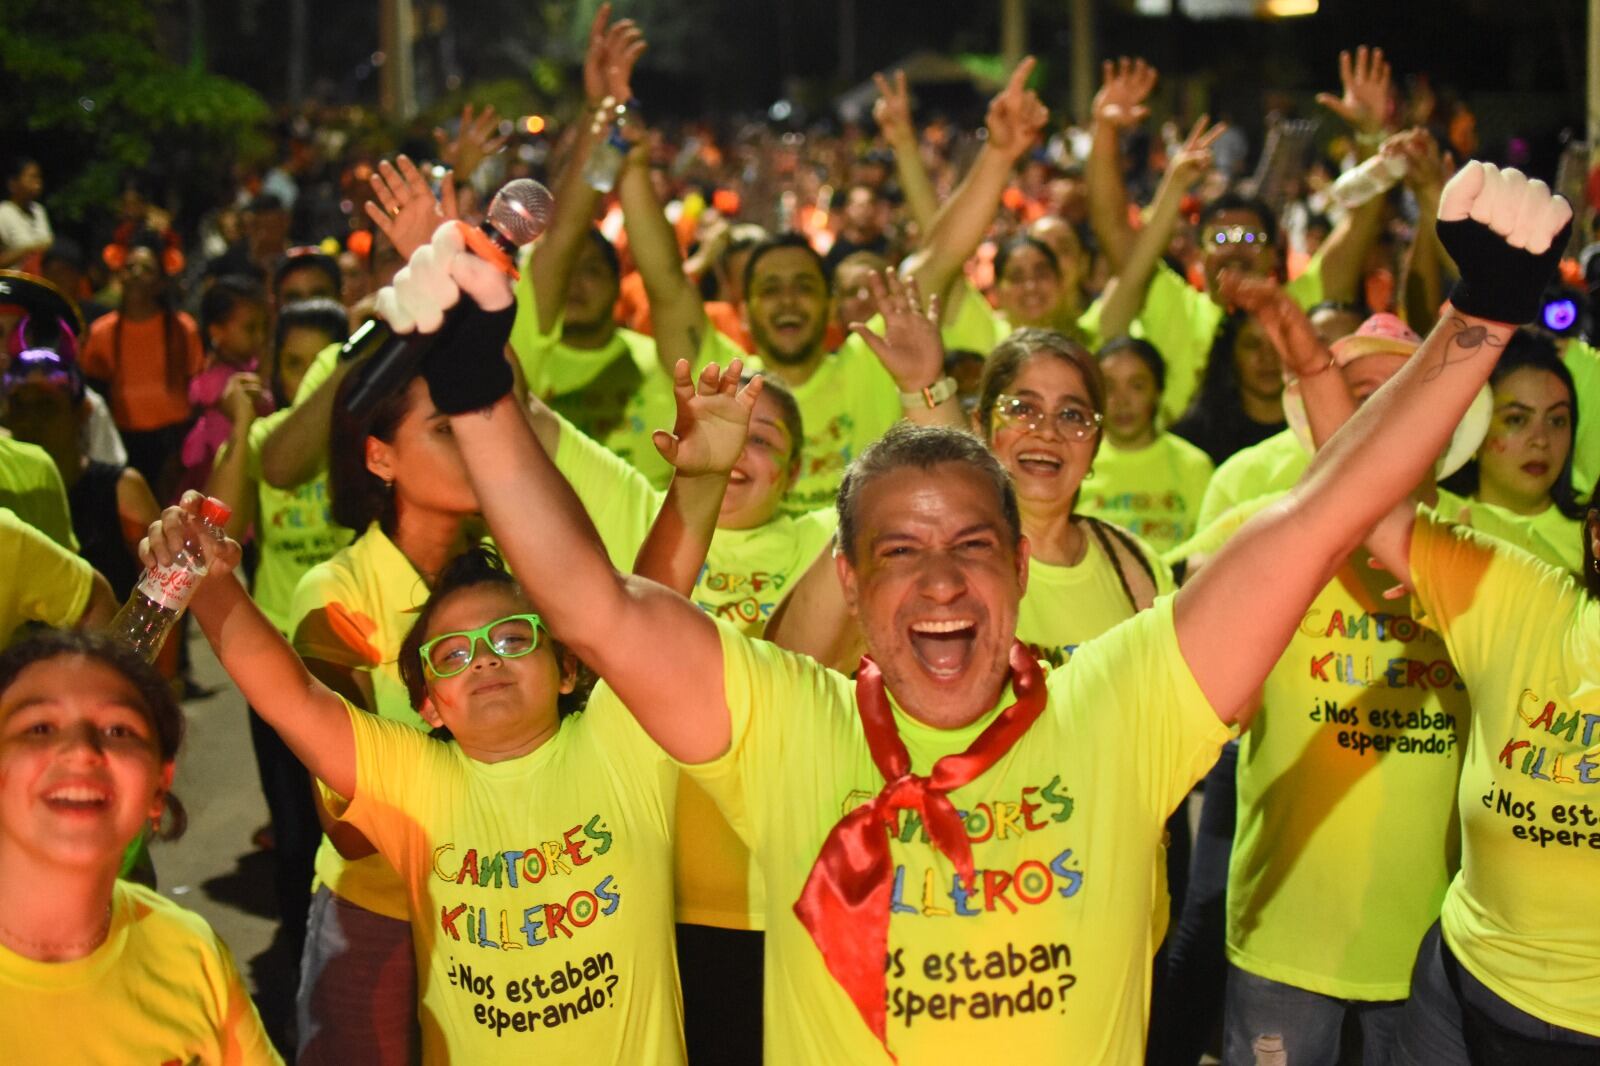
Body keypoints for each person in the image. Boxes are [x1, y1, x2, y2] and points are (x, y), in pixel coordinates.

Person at [418, 157, 1567, 1063]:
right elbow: (591, 607)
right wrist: (472, 389)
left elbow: (1316, 516)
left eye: (973, 545)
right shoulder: (784, 724)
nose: (939, 582)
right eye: (899, 553)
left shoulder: (1119, 706)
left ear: (1019, 574)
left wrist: (1481, 318)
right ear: (853, 588)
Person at [0, 629, 278, 1063]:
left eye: (119, 730)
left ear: (158, 786)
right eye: (39, 727)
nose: (82, 750)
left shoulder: (187, 951)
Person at [204, 297, 354, 995]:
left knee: (354, 833)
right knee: (295, 836)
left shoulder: (364, 432)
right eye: (293, 365)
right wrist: (240, 426)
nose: (306, 379)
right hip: (277, 664)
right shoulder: (268, 436)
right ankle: (302, 973)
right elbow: (220, 523)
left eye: (320, 363)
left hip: (357, 663)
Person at [1440, 330, 1586, 573]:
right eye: (1516, 420)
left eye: (1557, 420)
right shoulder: (1434, 515)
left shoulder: (1592, 534)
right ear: (1475, 429)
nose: (1540, 440)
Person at [79, 238, 205, 499]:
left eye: (146, 269)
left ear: (160, 283)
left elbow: (196, 385)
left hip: (173, 440)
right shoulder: (102, 331)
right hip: (124, 438)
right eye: (130, 267)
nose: (136, 274)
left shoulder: (183, 328)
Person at [1077, 336, 1214, 555]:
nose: (1122, 401)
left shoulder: (1194, 466)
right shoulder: (1077, 462)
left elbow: (1209, 550)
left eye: (1137, 386)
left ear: (1157, 392)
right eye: (1109, 387)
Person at [180, 276, 272, 498]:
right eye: (250, 329)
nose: (260, 337)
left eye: (264, 327)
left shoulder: (249, 367)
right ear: (217, 332)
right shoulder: (221, 383)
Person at [1169, 310, 1290, 466]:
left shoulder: (1315, 425)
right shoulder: (1194, 438)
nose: (1268, 357)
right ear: (1230, 354)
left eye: (1277, 344)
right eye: (1252, 345)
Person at [0, 158, 51, 272]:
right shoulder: (3, 213)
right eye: (32, 177)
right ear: (13, 183)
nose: (37, 182)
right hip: (13, 284)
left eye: (39, 177)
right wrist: (28, 250)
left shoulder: (39, 211)